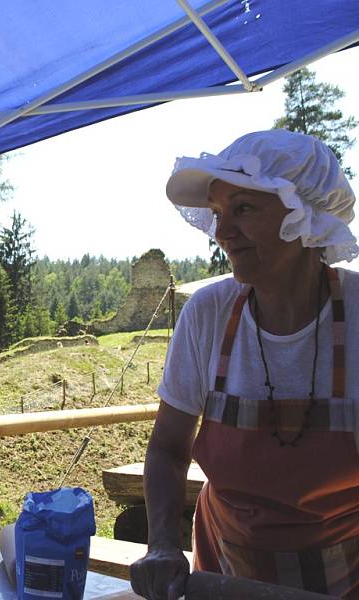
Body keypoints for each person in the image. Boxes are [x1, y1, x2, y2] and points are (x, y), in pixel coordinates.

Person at [129, 129, 359, 600]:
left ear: (305, 217)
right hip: (224, 570)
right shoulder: (209, 313)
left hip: (346, 573)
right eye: (218, 213)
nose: (222, 232)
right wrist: (162, 546)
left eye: (244, 209)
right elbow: (169, 447)